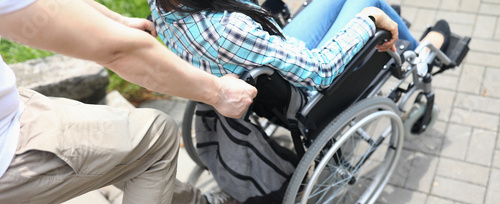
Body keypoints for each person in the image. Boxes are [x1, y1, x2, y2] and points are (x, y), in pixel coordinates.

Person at [0, 0, 257, 204]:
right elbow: (117, 52)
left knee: (125, 149)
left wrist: (113, 18)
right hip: (11, 151)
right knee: (158, 136)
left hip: (16, 115)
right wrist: (218, 92)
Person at [148, 0, 450, 92]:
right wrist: (369, 20)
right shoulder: (228, 29)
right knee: (369, 5)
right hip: (303, 79)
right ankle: (417, 55)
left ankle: (406, 40)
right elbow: (321, 70)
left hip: (263, 57)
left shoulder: (163, 5)